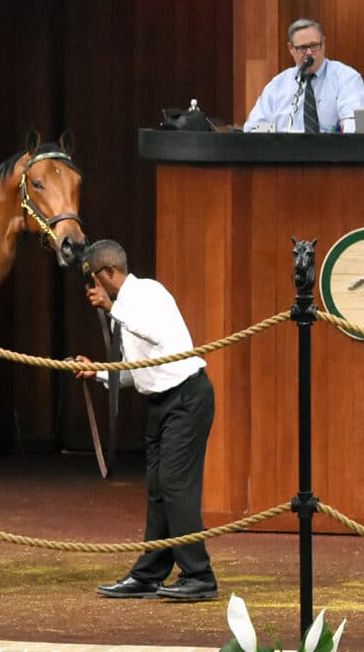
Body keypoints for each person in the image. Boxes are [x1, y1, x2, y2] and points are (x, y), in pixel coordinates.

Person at [74, 239, 217, 602]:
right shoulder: (124, 309)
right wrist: (99, 374)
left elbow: (154, 334)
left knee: (175, 484)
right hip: (160, 403)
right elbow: (135, 372)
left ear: (109, 273)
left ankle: (199, 576)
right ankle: (150, 573)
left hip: (186, 396)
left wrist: (112, 307)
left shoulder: (149, 294)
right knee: (157, 487)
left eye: (94, 279)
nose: (92, 288)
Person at [242, 18, 364, 133]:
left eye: (314, 46)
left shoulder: (346, 78)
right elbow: (253, 127)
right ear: (291, 48)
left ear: (323, 43)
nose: (309, 53)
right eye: (302, 48)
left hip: (332, 155)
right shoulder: (277, 85)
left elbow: (355, 125)